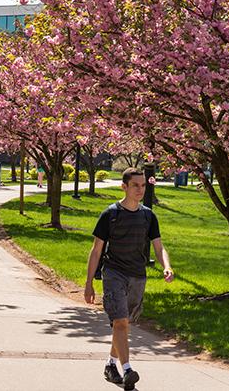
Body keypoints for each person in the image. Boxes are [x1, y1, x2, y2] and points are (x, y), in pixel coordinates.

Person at [84, 167, 174, 390]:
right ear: (124, 186)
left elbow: (159, 247)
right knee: (121, 322)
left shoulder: (148, 216)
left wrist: (167, 266)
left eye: (143, 185)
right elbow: (96, 251)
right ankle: (127, 370)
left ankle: (111, 364)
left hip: (138, 275)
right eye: (135, 185)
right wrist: (88, 284)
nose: (140, 189)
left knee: (123, 324)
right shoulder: (110, 214)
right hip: (114, 272)